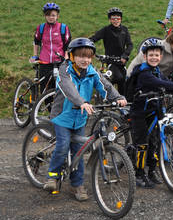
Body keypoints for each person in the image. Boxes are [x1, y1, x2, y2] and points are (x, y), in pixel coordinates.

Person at [43, 38, 126, 200]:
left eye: (88, 57)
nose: (85, 60)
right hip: (62, 117)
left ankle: (77, 185)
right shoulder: (64, 71)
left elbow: (105, 86)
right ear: (72, 56)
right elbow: (69, 89)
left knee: (79, 152)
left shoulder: (91, 71)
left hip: (79, 119)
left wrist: (118, 97)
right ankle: (52, 176)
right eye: (81, 56)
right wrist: (81, 102)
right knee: (63, 145)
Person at [128, 38, 173, 187]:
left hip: (154, 111)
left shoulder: (157, 71)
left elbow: (165, 82)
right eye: (151, 55)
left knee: (155, 142)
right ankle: (139, 173)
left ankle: (151, 170)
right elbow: (160, 84)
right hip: (140, 113)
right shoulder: (144, 72)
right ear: (144, 56)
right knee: (142, 143)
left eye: (157, 55)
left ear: (161, 57)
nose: (154, 58)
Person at [90, 7, 133, 95]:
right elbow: (93, 39)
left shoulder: (124, 30)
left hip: (121, 61)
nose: (116, 20)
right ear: (110, 19)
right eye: (113, 18)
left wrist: (125, 55)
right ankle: (111, 98)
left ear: (121, 19)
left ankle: (123, 101)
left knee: (125, 82)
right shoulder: (106, 30)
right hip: (109, 61)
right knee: (118, 78)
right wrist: (88, 48)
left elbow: (130, 44)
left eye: (118, 18)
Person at [32, 2, 72, 92]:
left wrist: (66, 57)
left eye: (53, 15)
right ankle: (47, 105)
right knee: (45, 88)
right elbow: (36, 41)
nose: (51, 17)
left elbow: (67, 44)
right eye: (48, 15)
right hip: (44, 62)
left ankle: (58, 105)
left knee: (60, 88)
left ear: (57, 16)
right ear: (45, 16)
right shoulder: (41, 28)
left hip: (59, 62)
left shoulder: (63, 28)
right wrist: (35, 55)